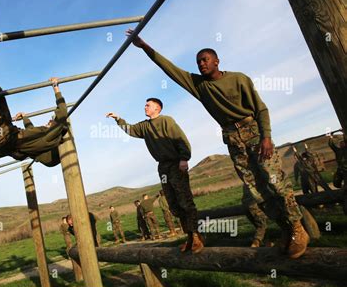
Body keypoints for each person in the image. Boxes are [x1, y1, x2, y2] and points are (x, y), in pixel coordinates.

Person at [127, 29, 309, 259]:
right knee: (256, 189)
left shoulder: (239, 79)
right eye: (198, 61)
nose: (201, 64)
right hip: (233, 139)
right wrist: (146, 48)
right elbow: (171, 70)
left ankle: (298, 228)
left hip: (253, 133)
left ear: (216, 61)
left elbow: (261, 108)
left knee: (275, 182)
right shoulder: (200, 86)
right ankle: (285, 228)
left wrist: (266, 137)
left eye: (205, 60)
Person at [107, 98, 203, 253]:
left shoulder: (167, 121)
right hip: (163, 167)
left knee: (185, 200)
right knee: (173, 204)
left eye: (148, 105)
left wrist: (184, 158)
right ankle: (189, 238)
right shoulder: (145, 126)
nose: (145, 107)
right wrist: (118, 119)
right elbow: (130, 129)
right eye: (145, 104)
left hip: (176, 163)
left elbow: (180, 139)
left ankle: (196, 236)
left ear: (157, 108)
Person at [328, 132, 347, 214]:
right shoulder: (338, 150)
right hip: (341, 170)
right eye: (340, 143)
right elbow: (331, 145)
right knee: (336, 182)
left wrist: (343, 134)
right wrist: (331, 137)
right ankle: (341, 188)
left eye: (342, 143)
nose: (341, 144)